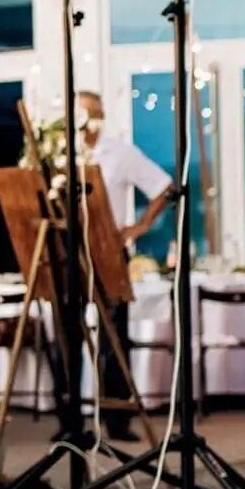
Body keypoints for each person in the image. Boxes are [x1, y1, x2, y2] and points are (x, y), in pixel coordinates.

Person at [79, 91, 172, 442]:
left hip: (110, 253)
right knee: (66, 336)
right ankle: (68, 418)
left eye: (88, 113)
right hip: (70, 252)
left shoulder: (120, 152)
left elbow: (163, 187)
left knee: (114, 337)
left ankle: (118, 420)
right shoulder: (61, 153)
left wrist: (139, 227)